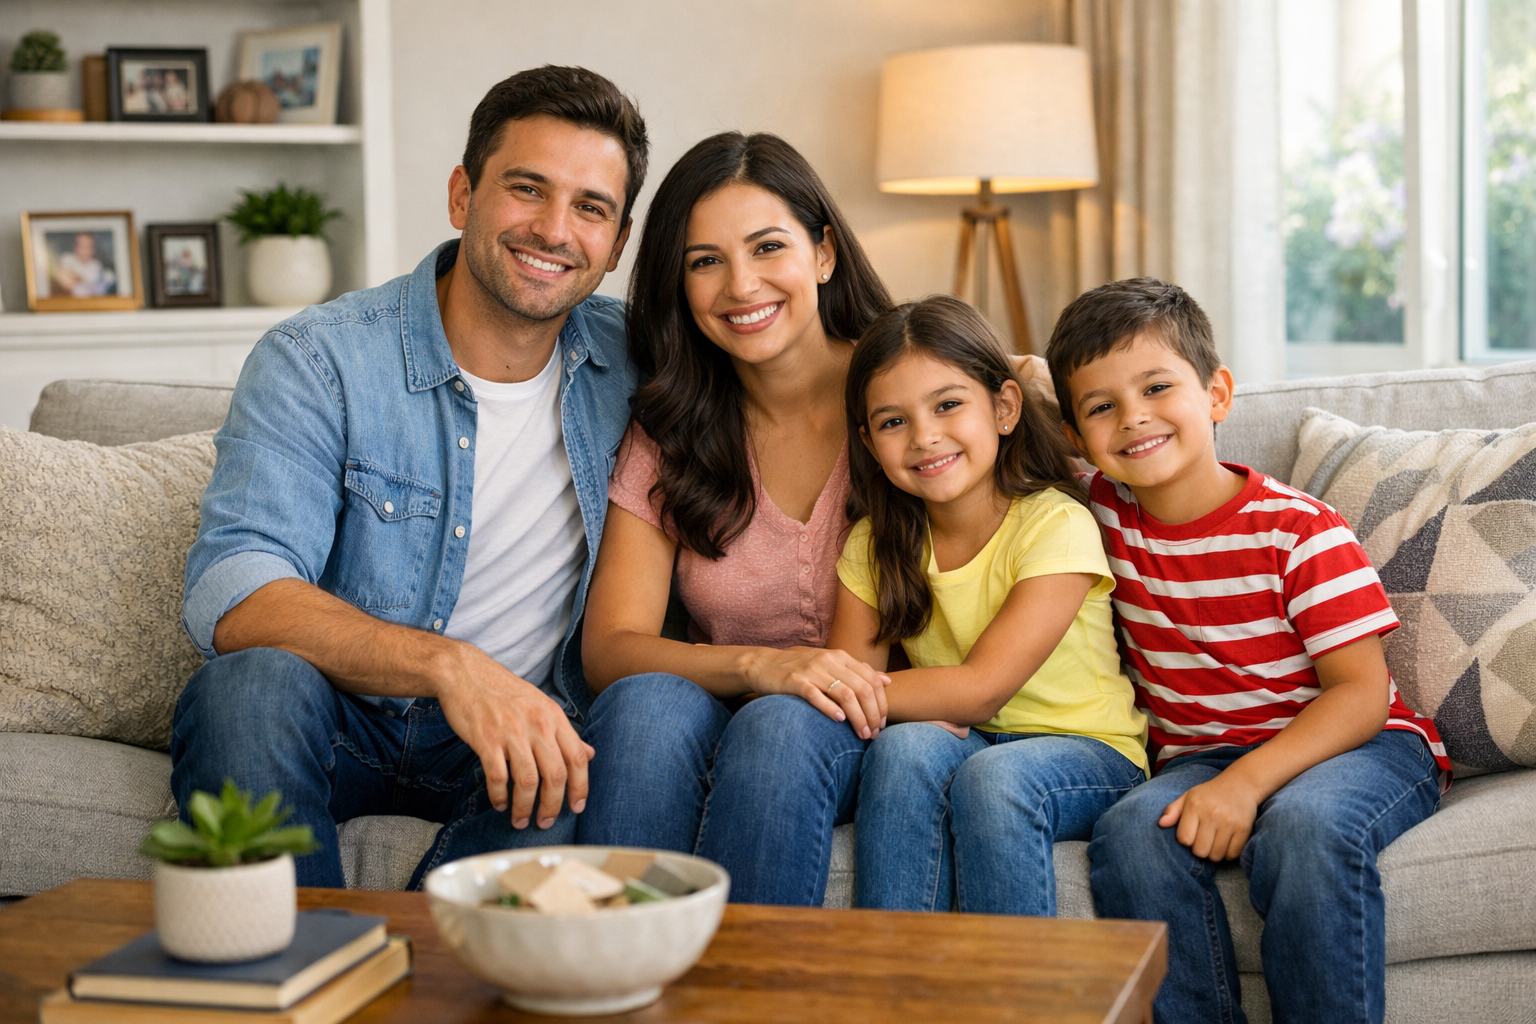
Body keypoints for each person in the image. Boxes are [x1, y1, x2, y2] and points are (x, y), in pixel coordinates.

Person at [172, 66, 649, 889]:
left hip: (515, 739)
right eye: (526, 189)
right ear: (462, 196)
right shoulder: (321, 358)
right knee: (246, 686)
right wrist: (448, 666)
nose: (554, 230)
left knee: (599, 750)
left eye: (590, 208)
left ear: (618, 242)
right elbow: (234, 588)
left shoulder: (643, 365)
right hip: (337, 712)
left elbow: (803, 364)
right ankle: (303, 984)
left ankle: (432, 984)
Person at [1044, 278, 1449, 1024]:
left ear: (1218, 394)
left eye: (1158, 387)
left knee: (1306, 828)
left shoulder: (1298, 529)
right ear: (1076, 436)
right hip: (1201, 755)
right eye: (1101, 407)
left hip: (1361, 746)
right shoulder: (1091, 515)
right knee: (1132, 832)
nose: (1134, 418)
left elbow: (1360, 693)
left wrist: (1248, 785)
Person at [575, 132, 896, 905]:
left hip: (866, 729)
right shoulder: (674, 426)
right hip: (713, 714)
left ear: (823, 253)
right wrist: (761, 665)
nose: (740, 285)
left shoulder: (908, 396)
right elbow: (611, 649)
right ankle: (610, 974)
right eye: (705, 261)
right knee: (644, 706)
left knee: (780, 725)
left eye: (766, 247)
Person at [827, 295, 1147, 915]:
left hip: (1092, 752)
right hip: (970, 742)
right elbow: (848, 686)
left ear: (1003, 408)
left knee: (995, 779)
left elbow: (976, 692)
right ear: (868, 441)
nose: (925, 437)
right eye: (893, 422)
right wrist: (907, 706)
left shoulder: (1056, 523)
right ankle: (892, 991)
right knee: (904, 749)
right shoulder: (874, 542)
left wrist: (893, 696)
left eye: (948, 405)